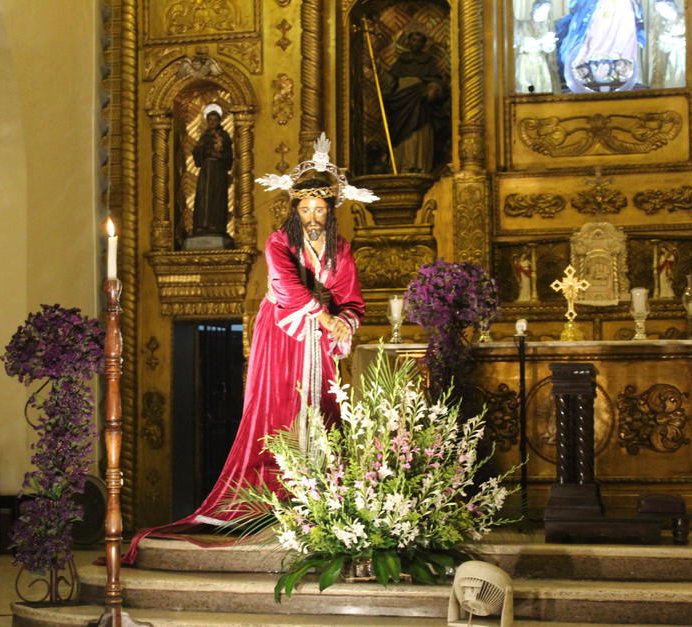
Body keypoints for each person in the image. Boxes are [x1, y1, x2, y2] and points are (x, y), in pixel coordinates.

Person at [122, 137, 373, 565]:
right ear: (294, 210)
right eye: (305, 209)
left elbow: (350, 298)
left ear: (331, 212)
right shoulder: (279, 242)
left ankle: (320, 499)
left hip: (321, 344)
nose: (312, 217)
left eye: (320, 210)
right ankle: (273, 499)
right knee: (281, 405)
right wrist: (323, 314)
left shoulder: (342, 250)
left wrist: (342, 321)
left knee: (326, 408)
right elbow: (285, 287)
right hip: (283, 334)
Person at [382, 28, 449, 174]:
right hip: (401, 104)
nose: (416, 43)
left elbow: (437, 81)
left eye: (419, 41)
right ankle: (402, 164)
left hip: (421, 106)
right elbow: (391, 82)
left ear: (424, 44)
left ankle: (419, 165)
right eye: (413, 40)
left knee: (419, 134)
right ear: (408, 42)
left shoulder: (429, 62)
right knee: (402, 136)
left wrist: (433, 88)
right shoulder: (402, 61)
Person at [556, 0, 645, 93]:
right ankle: (592, 66)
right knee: (596, 32)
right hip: (599, 6)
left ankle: (619, 67)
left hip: (622, 7)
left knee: (623, 30)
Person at [191, 103, 233, 237]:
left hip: (218, 171)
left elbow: (229, 157)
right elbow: (198, 156)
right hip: (206, 171)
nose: (213, 123)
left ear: (220, 121)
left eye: (215, 120)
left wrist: (219, 155)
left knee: (217, 197)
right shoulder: (204, 136)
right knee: (204, 197)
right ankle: (202, 225)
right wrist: (200, 150)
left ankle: (217, 225)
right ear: (207, 121)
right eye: (210, 120)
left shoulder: (224, 136)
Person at [514, 0, 558, 94]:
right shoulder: (523, 26)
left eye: (547, 12)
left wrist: (549, 43)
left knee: (542, 87)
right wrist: (542, 41)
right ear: (535, 10)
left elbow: (547, 49)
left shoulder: (544, 28)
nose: (545, 14)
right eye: (543, 11)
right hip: (526, 62)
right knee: (527, 88)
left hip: (540, 61)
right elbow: (525, 43)